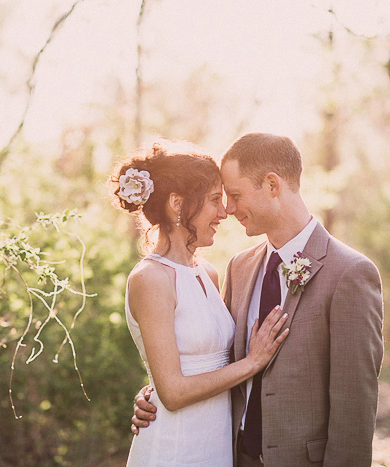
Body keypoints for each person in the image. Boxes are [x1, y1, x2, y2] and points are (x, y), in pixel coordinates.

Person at [132, 133, 384, 467]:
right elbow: (212, 356)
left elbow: (354, 407)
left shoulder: (349, 273)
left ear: (271, 185)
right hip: (226, 454)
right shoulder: (240, 267)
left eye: (234, 195)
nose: (228, 208)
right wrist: (154, 393)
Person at [112, 141, 290, 467]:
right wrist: (252, 362)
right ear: (177, 204)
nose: (224, 212)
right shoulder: (151, 278)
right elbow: (174, 392)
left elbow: (206, 362)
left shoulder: (208, 273)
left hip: (216, 445)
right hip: (175, 447)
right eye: (213, 201)